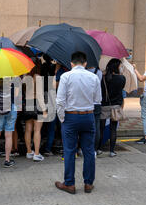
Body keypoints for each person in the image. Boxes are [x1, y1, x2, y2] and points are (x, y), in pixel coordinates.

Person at [55, 52, 101, 194]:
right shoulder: (94, 77)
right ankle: (88, 183)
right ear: (85, 63)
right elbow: (97, 100)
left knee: (69, 150)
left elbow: (60, 101)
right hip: (88, 116)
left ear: (71, 63)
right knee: (88, 151)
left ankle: (69, 183)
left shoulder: (66, 76)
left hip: (71, 116)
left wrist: (62, 118)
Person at [98, 59, 126, 157]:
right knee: (113, 129)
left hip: (104, 105)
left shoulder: (103, 77)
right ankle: (112, 151)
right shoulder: (122, 78)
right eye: (120, 66)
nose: (121, 68)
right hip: (115, 106)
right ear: (117, 67)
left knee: (100, 129)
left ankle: (98, 149)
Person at [23, 65, 46, 162]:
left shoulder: (24, 78)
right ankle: (36, 154)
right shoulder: (38, 77)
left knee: (28, 130)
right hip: (37, 104)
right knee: (37, 130)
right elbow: (40, 95)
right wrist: (44, 110)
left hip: (27, 103)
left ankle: (29, 152)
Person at [43, 62, 67, 156]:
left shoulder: (61, 72)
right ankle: (50, 148)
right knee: (56, 127)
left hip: (56, 102)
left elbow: (54, 86)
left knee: (56, 128)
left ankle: (49, 149)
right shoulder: (55, 70)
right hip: (55, 102)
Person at [87, 65, 103, 155]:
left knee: (85, 127)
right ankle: (94, 149)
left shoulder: (83, 73)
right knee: (96, 127)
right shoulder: (98, 72)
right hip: (96, 103)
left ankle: (84, 148)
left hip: (86, 102)